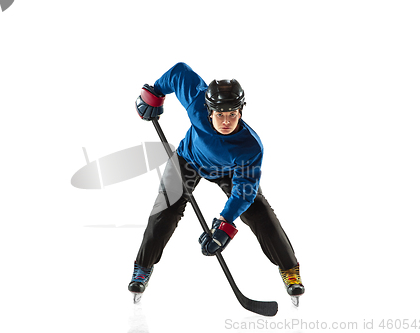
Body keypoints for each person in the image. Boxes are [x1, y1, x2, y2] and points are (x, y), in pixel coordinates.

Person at [129, 62, 304, 305]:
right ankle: (142, 268)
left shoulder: (250, 147)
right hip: (188, 161)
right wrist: (154, 93)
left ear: (241, 111)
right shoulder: (196, 102)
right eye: (220, 115)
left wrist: (225, 222)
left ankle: (290, 271)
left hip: (228, 172)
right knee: (165, 210)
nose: (226, 121)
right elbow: (179, 72)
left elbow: (244, 190)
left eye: (232, 114)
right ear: (209, 111)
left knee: (258, 211)